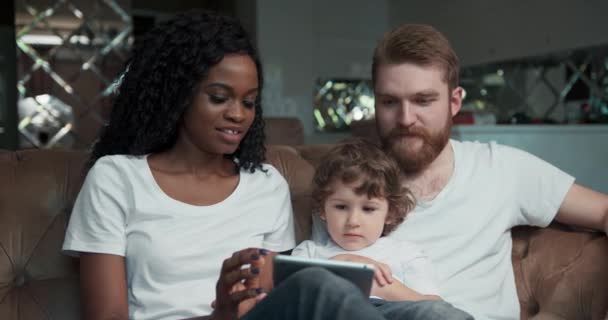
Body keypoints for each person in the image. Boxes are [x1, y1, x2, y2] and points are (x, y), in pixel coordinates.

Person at [62, 11, 394, 320]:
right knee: (319, 287)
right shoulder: (116, 179)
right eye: (219, 98)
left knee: (423, 312)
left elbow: (280, 298)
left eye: (249, 102)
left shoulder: (267, 184)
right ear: (178, 94)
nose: (238, 114)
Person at [312, 23, 608, 320]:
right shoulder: (343, 183)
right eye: (390, 102)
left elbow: (602, 210)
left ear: (454, 102)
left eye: (423, 101)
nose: (405, 118)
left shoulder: (501, 168)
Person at [292, 138, 473, 320]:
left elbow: (432, 304)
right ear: (322, 210)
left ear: (390, 213)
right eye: (341, 207)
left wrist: (382, 287)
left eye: (368, 209)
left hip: (394, 312)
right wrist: (342, 263)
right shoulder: (308, 252)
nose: (353, 221)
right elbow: (289, 301)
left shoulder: (405, 253)